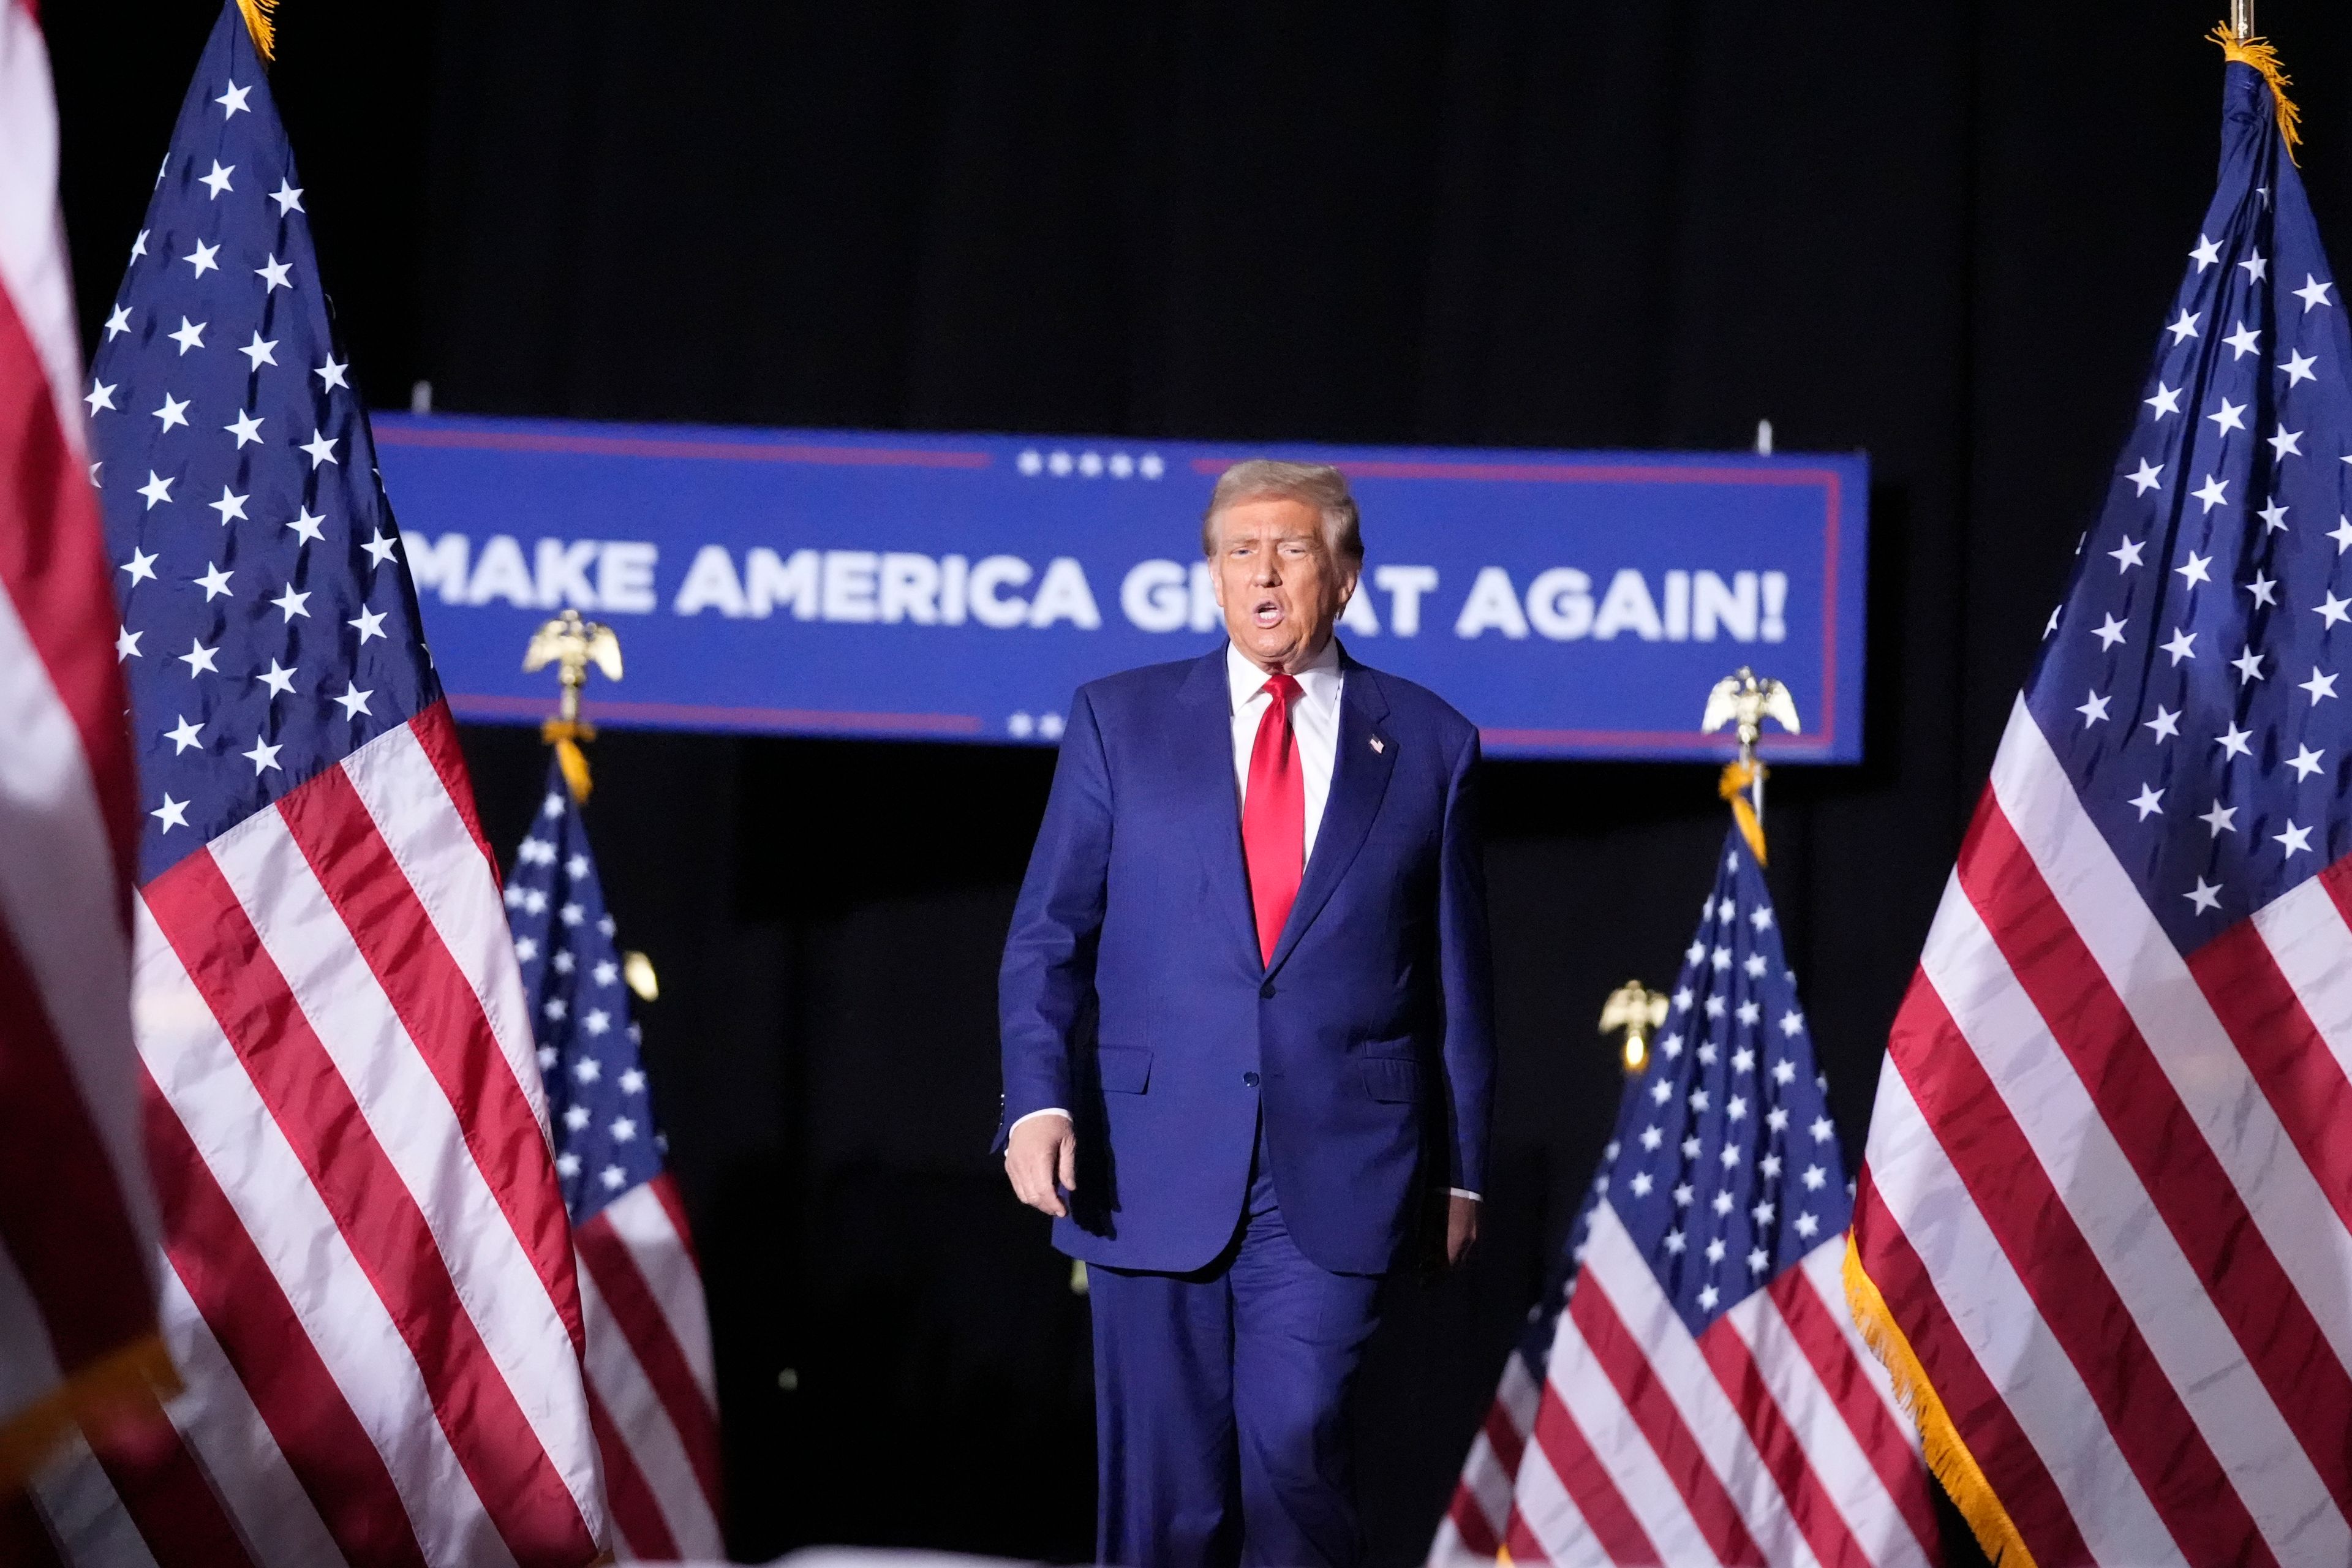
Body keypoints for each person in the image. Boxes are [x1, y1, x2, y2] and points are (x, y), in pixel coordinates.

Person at [996, 459, 1496, 1568]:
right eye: (1240, 553)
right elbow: (1048, 935)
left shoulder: (1431, 742)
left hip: (1343, 1163)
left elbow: (1458, 976)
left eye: (1294, 550)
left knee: (1296, 1442)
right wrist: (1035, 1103)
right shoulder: (1118, 721)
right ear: (1213, 578)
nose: (1265, 575)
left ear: (1348, 578)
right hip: (1144, 1161)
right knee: (1164, 1492)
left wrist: (1462, 1170)